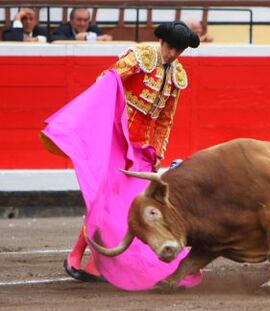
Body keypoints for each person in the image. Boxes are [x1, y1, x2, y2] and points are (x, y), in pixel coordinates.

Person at [42, 21, 200, 286]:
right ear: (162, 42)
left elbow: (164, 119)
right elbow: (108, 81)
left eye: (179, 50)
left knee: (130, 206)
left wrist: (157, 151)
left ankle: (95, 263)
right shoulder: (140, 58)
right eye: (171, 47)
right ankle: (77, 253)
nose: (173, 54)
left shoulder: (177, 75)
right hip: (117, 138)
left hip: (142, 147)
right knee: (104, 201)